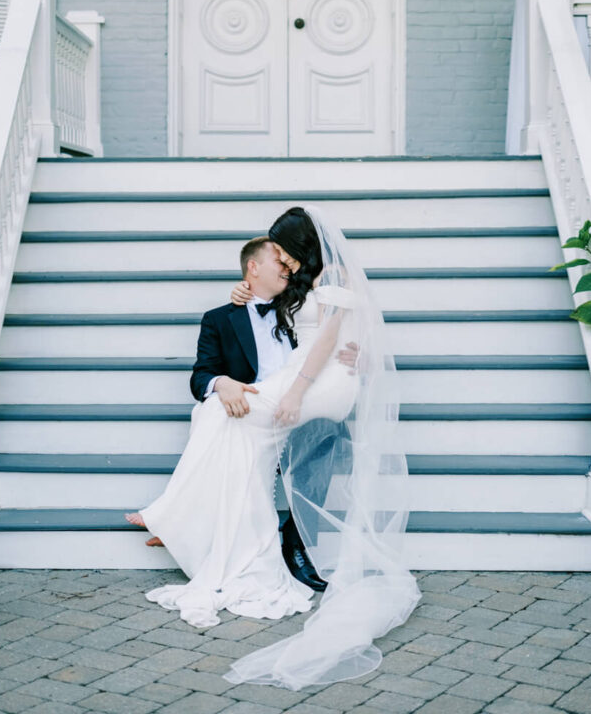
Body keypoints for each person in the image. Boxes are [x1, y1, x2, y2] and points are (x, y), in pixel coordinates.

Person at [132, 206, 421, 688]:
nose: (283, 262)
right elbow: (298, 322)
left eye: (284, 250)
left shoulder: (336, 273)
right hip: (306, 377)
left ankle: (176, 517)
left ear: (301, 242)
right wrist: (244, 297)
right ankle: (200, 523)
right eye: (276, 257)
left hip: (320, 382)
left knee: (224, 415)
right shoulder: (298, 285)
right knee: (223, 415)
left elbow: (331, 336)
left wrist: (297, 390)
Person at [127, 234, 355, 590]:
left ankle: (295, 544)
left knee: (317, 430)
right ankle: (190, 528)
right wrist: (223, 383)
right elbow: (200, 375)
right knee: (217, 409)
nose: (286, 268)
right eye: (278, 262)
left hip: (301, 409)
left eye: (287, 262)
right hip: (250, 407)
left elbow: (339, 331)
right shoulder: (219, 319)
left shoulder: (298, 306)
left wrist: (353, 354)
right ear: (253, 267)